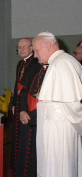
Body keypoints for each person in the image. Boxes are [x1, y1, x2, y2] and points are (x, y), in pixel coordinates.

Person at [33, 32, 82, 177]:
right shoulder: (61, 61)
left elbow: (72, 105)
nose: (35, 55)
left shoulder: (61, 64)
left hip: (59, 133)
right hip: (57, 130)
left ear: (47, 46)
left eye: (36, 50)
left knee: (59, 170)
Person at [10, 38, 39, 176]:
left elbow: (28, 88)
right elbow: (16, 85)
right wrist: (14, 104)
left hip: (28, 106)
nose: (21, 49)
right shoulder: (20, 63)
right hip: (20, 104)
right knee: (17, 135)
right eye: (19, 47)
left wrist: (22, 107)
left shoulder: (36, 63)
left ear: (31, 48)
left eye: (24, 47)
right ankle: (17, 165)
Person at [17, 62, 46, 177]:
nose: (36, 55)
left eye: (37, 51)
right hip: (27, 116)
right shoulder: (35, 68)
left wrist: (32, 116)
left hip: (42, 120)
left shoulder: (55, 70)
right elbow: (24, 90)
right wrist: (22, 110)